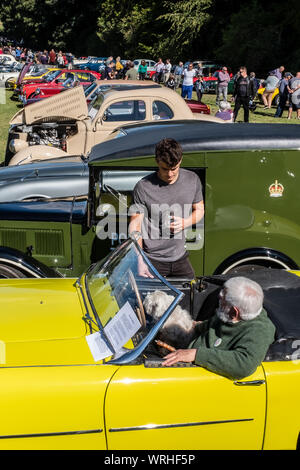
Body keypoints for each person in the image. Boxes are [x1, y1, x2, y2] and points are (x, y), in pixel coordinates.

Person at [162, 276, 276, 380]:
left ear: (235, 312)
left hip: (200, 376)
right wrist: (191, 325)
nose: (219, 298)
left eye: (223, 298)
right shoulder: (228, 315)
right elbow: (210, 324)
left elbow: (244, 364)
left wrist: (196, 355)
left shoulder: (259, 331)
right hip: (186, 353)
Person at [129, 138, 204, 279]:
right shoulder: (143, 187)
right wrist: (139, 258)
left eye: (174, 169)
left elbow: (200, 209)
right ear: (157, 162)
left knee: (190, 296)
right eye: (165, 169)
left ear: (180, 161)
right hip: (152, 259)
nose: (170, 174)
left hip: (180, 257)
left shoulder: (192, 180)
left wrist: (185, 222)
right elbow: (135, 225)